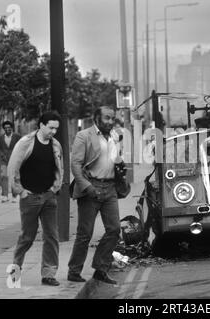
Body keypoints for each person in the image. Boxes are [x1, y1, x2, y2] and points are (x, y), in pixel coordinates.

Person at [67, 106, 122, 285]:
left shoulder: (114, 135)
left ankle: (101, 268)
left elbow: (114, 159)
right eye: (107, 118)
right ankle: (74, 271)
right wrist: (87, 187)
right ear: (96, 118)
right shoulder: (84, 136)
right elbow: (75, 164)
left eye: (112, 118)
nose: (110, 121)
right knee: (85, 234)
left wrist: (121, 167)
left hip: (110, 188)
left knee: (114, 230)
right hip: (91, 187)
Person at [7, 111, 63, 286]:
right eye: (51, 127)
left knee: (52, 236)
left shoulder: (55, 145)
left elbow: (59, 167)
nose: (53, 132)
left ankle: (49, 274)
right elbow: (13, 167)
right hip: (29, 197)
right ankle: (14, 274)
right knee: (27, 238)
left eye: (56, 129)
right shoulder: (25, 143)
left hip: (48, 196)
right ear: (41, 125)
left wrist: (55, 187)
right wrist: (20, 191)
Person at [0, 121, 21, 203]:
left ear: (12, 128)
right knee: (4, 176)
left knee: (14, 177)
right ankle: (5, 196)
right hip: (4, 160)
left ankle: (14, 196)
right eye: (5, 128)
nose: (7, 129)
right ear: (4, 129)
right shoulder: (1, 137)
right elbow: (0, 149)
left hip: (14, 160)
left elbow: (21, 147)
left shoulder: (17, 136)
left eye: (9, 127)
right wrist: (2, 156)